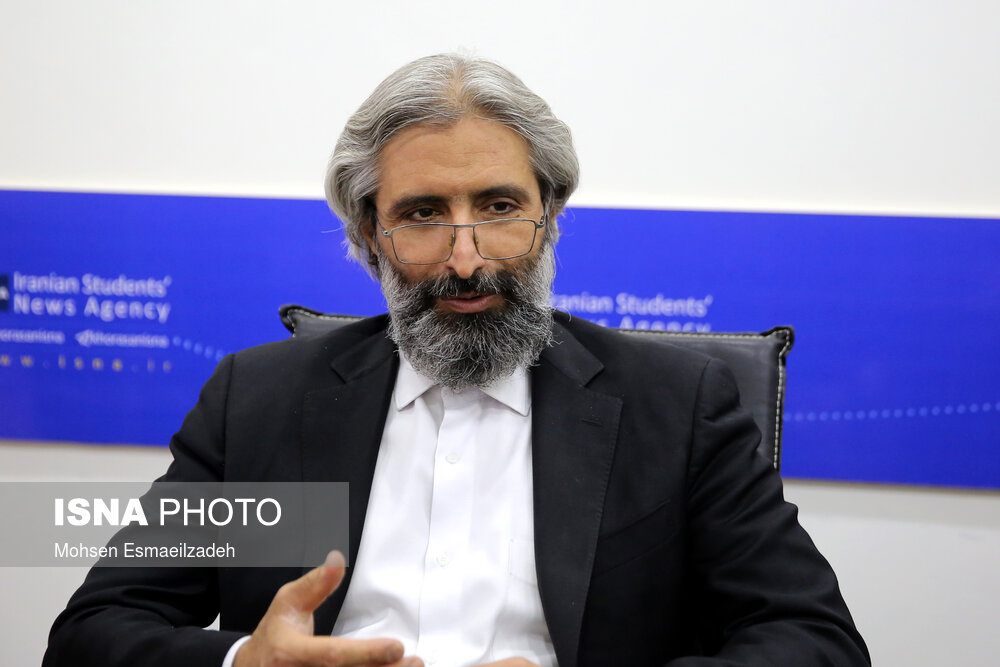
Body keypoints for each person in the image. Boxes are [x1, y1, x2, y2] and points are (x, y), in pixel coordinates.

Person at [44, 53, 870, 667]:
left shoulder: (674, 406)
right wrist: (243, 660)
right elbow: (95, 631)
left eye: (500, 206)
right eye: (422, 214)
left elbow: (813, 640)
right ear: (370, 234)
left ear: (550, 217)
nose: (466, 258)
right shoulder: (263, 404)